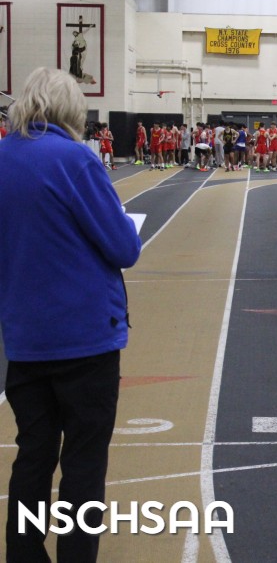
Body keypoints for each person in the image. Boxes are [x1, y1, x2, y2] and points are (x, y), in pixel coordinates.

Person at [0, 67, 142, 561]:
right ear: (72, 111)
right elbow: (123, 247)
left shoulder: (3, 157)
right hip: (84, 339)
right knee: (83, 465)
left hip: (25, 340)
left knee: (33, 456)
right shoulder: (75, 160)